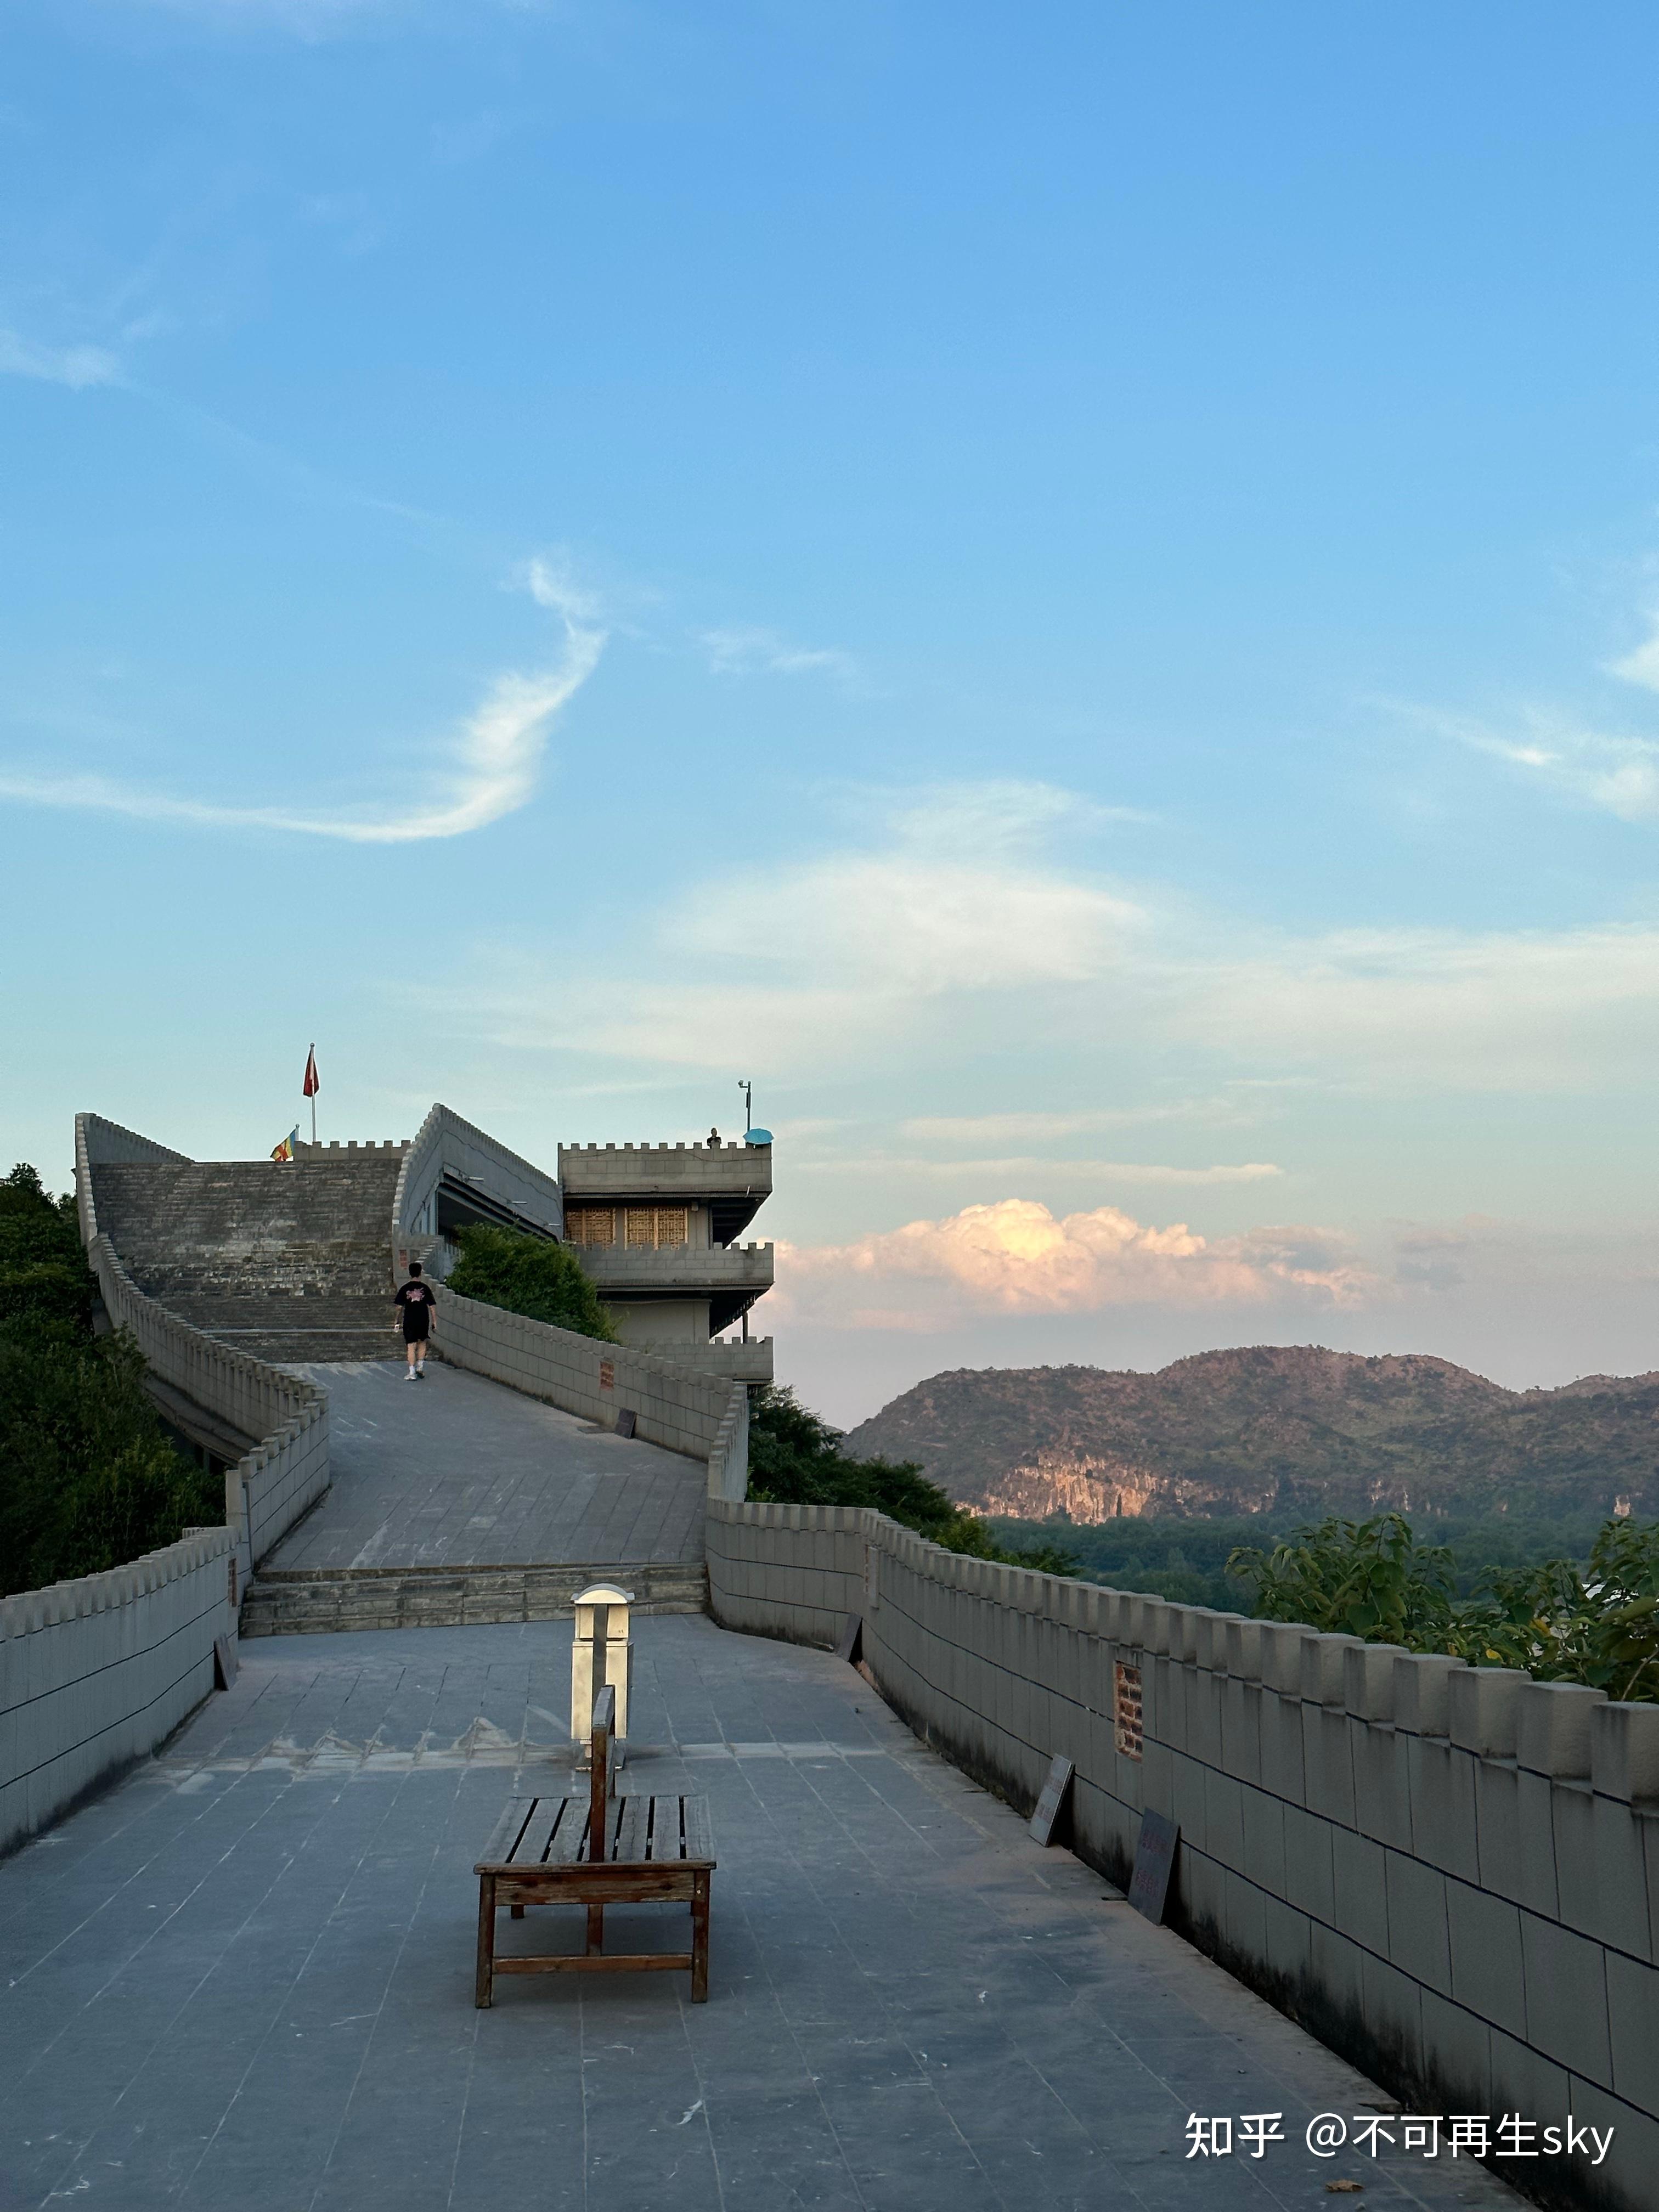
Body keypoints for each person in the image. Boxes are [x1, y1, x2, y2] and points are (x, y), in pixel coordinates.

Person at [393, 1261, 437, 1379]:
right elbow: (432, 1306)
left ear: (410, 1273)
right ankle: (420, 1367)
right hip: (423, 1319)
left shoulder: (405, 1288)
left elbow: (398, 1307)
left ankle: (412, 1373)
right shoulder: (426, 1288)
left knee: (411, 1346)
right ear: (420, 1273)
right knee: (422, 1342)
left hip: (410, 1320)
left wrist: (396, 1321)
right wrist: (434, 1322)